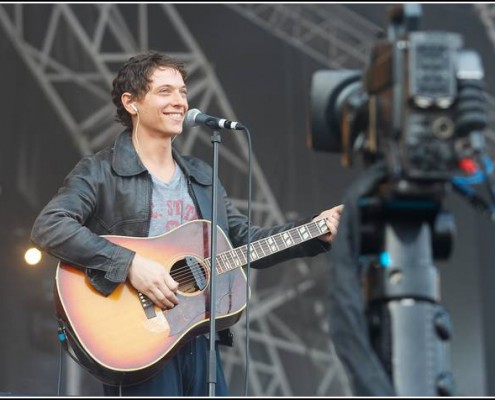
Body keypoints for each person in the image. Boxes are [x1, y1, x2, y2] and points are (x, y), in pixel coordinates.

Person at [30, 50, 344, 396]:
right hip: (138, 338)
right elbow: (50, 225)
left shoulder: (202, 176)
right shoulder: (101, 171)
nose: (179, 101)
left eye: (182, 92)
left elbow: (244, 241)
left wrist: (316, 230)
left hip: (199, 335)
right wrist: (130, 264)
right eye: (165, 91)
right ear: (131, 103)